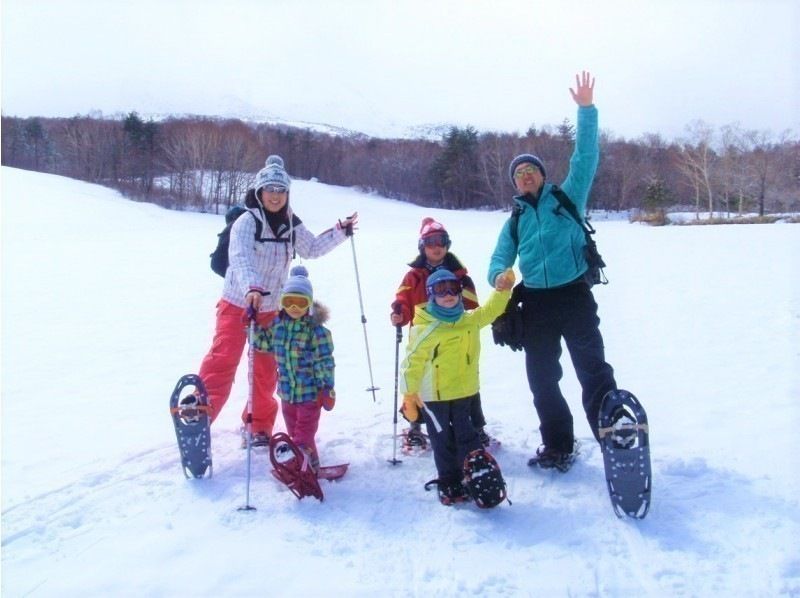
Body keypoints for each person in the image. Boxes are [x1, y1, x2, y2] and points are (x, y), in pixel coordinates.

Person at [487, 71, 617, 471]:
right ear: (516, 184)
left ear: (542, 175)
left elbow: (586, 157)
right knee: (542, 381)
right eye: (519, 175)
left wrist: (586, 110)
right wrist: (500, 277)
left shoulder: (567, 197)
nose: (526, 177)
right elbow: (498, 260)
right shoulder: (515, 219)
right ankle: (559, 445)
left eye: (532, 172)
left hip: (574, 295)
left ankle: (614, 437)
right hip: (537, 304)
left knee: (592, 370)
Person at [196, 154, 356, 446]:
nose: (275, 195)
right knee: (223, 360)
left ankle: (258, 426)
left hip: (273, 310)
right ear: (260, 192)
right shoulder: (246, 221)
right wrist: (252, 288)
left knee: (265, 371)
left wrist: (340, 232)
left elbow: (312, 248)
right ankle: (200, 415)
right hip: (238, 303)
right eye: (270, 189)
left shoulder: (290, 224)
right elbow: (240, 258)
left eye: (281, 190)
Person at [399, 268, 515, 506]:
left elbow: (492, 311)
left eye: (453, 288)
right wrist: (409, 395)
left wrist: (503, 290)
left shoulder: (468, 320)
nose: (449, 294)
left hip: (465, 391)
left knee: (467, 435)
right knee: (442, 440)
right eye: (441, 290)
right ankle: (449, 481)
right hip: (435, 398)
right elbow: (412, 362)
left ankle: (472, 472)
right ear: (431, 295)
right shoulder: (426, 328)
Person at [390, 218, 498, 451]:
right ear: (422, 246)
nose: (436, 247)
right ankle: (416, 427)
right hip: (425, 337)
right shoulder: (413, 277)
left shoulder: (460, 276)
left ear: (447, 244)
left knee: (465, 381)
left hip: (457, 342)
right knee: (419, 380)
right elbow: (402, 299)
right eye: (430, 243)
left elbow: (472, 306)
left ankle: (475, 427)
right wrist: (400, 312)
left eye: (441, 242)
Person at [250, 266, 335, 470]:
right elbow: (263, 344)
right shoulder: (277, 326)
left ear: (309, 304)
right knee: (294, 430)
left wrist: (327, 388)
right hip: (287, 392)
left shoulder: (317, 332)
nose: (294, 307)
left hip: (310, 393)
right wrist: (251, 326)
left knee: (302, 436)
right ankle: (310, 466)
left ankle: (298, 460)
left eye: (301, 302)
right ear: (282, 302)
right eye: (289, 302)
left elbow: (325, 361)